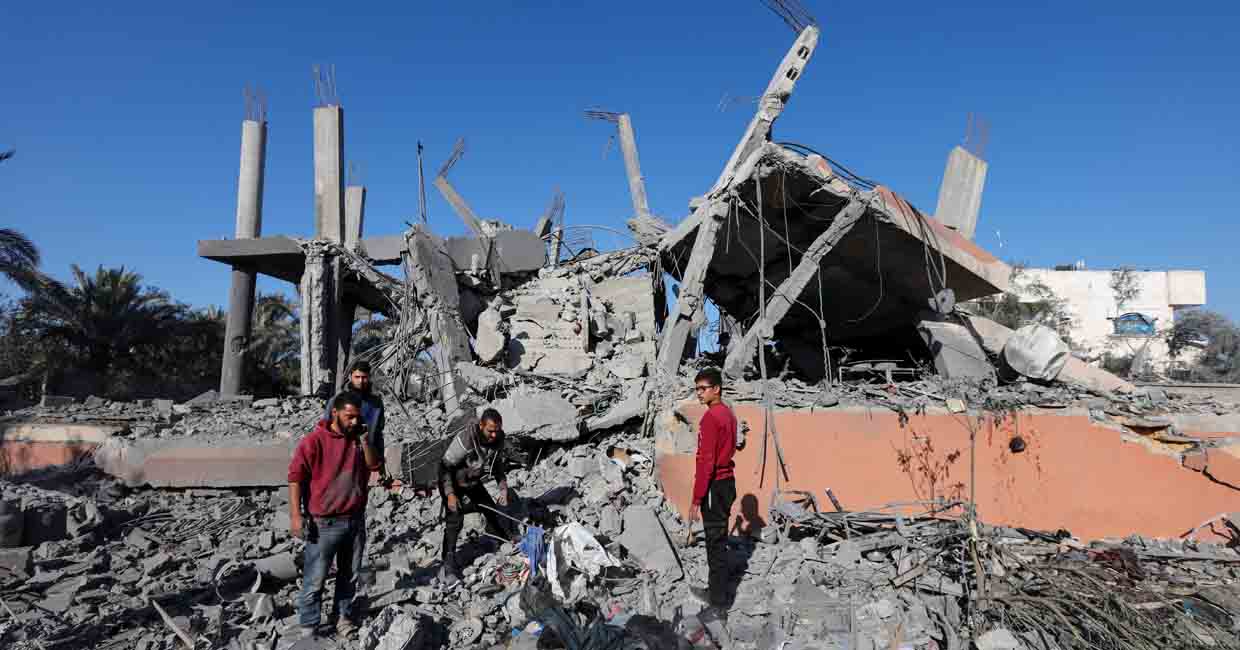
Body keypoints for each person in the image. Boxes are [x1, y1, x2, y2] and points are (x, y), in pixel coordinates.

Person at [288, 392, 383, 638]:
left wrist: (364, 440)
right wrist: (296, 516)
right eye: (349, 417)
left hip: (354, 519)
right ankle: (309, 626)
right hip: (324, 523)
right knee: (315, 579)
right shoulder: (314, 441)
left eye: (357, 417)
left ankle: (342, 617)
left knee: (349, 576)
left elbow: (374, 465)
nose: (354, 422)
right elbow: (295, 479)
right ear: (335, 414)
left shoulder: (358, 439)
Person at [437, 408, 512, 584]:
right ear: (481, 426)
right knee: (455, 520)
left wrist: (503, 488)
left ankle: (499, 541)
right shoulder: (466, 440)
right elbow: (444, 467)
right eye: (490, 430)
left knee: (490, 509)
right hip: (451, 480)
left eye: (497, 430)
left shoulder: (498, 440)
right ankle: (448, 563)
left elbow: (497, 466)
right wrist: (450, 494)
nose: (493, 434)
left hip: (471, 481)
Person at [687, 367, 737, 616]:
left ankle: (718, 602)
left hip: (714, 487)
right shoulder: (728, 413)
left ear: (716, 388)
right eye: (696, 389)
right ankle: (719, 591)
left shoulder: (711, 418)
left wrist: (697, 498)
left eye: (703, 388)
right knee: (719, 539)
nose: (699, 393)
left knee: (715, 543)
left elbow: (706, 461)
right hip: (727, 483)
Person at [325, 361, 389, 484]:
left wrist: (380, 462)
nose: (360, 381)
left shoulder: (376, 404)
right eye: (357, 377)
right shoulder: (337, 401)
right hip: (339, 458)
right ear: (350, 377)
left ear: (369, 377)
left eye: (364, 377)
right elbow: (325, 430)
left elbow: (378, 435)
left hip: (365, 459)